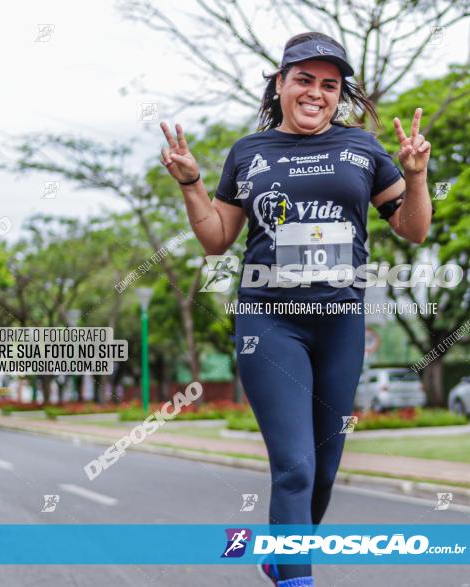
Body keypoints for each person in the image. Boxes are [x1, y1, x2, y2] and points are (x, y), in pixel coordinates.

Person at [159, 31, 432, 587]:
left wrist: (418, 174)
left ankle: (280, 556)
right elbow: (216, 240)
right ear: (279, 84)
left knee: (325, 471)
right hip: (269, 323)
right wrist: (190, 185)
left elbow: (414, 229)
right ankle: (296, 578)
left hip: (340, 324)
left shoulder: (362, 149)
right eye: (303, 80)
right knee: (295, 467)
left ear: (340, 95)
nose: (316, 93)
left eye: (329, 85)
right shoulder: (248, 153)